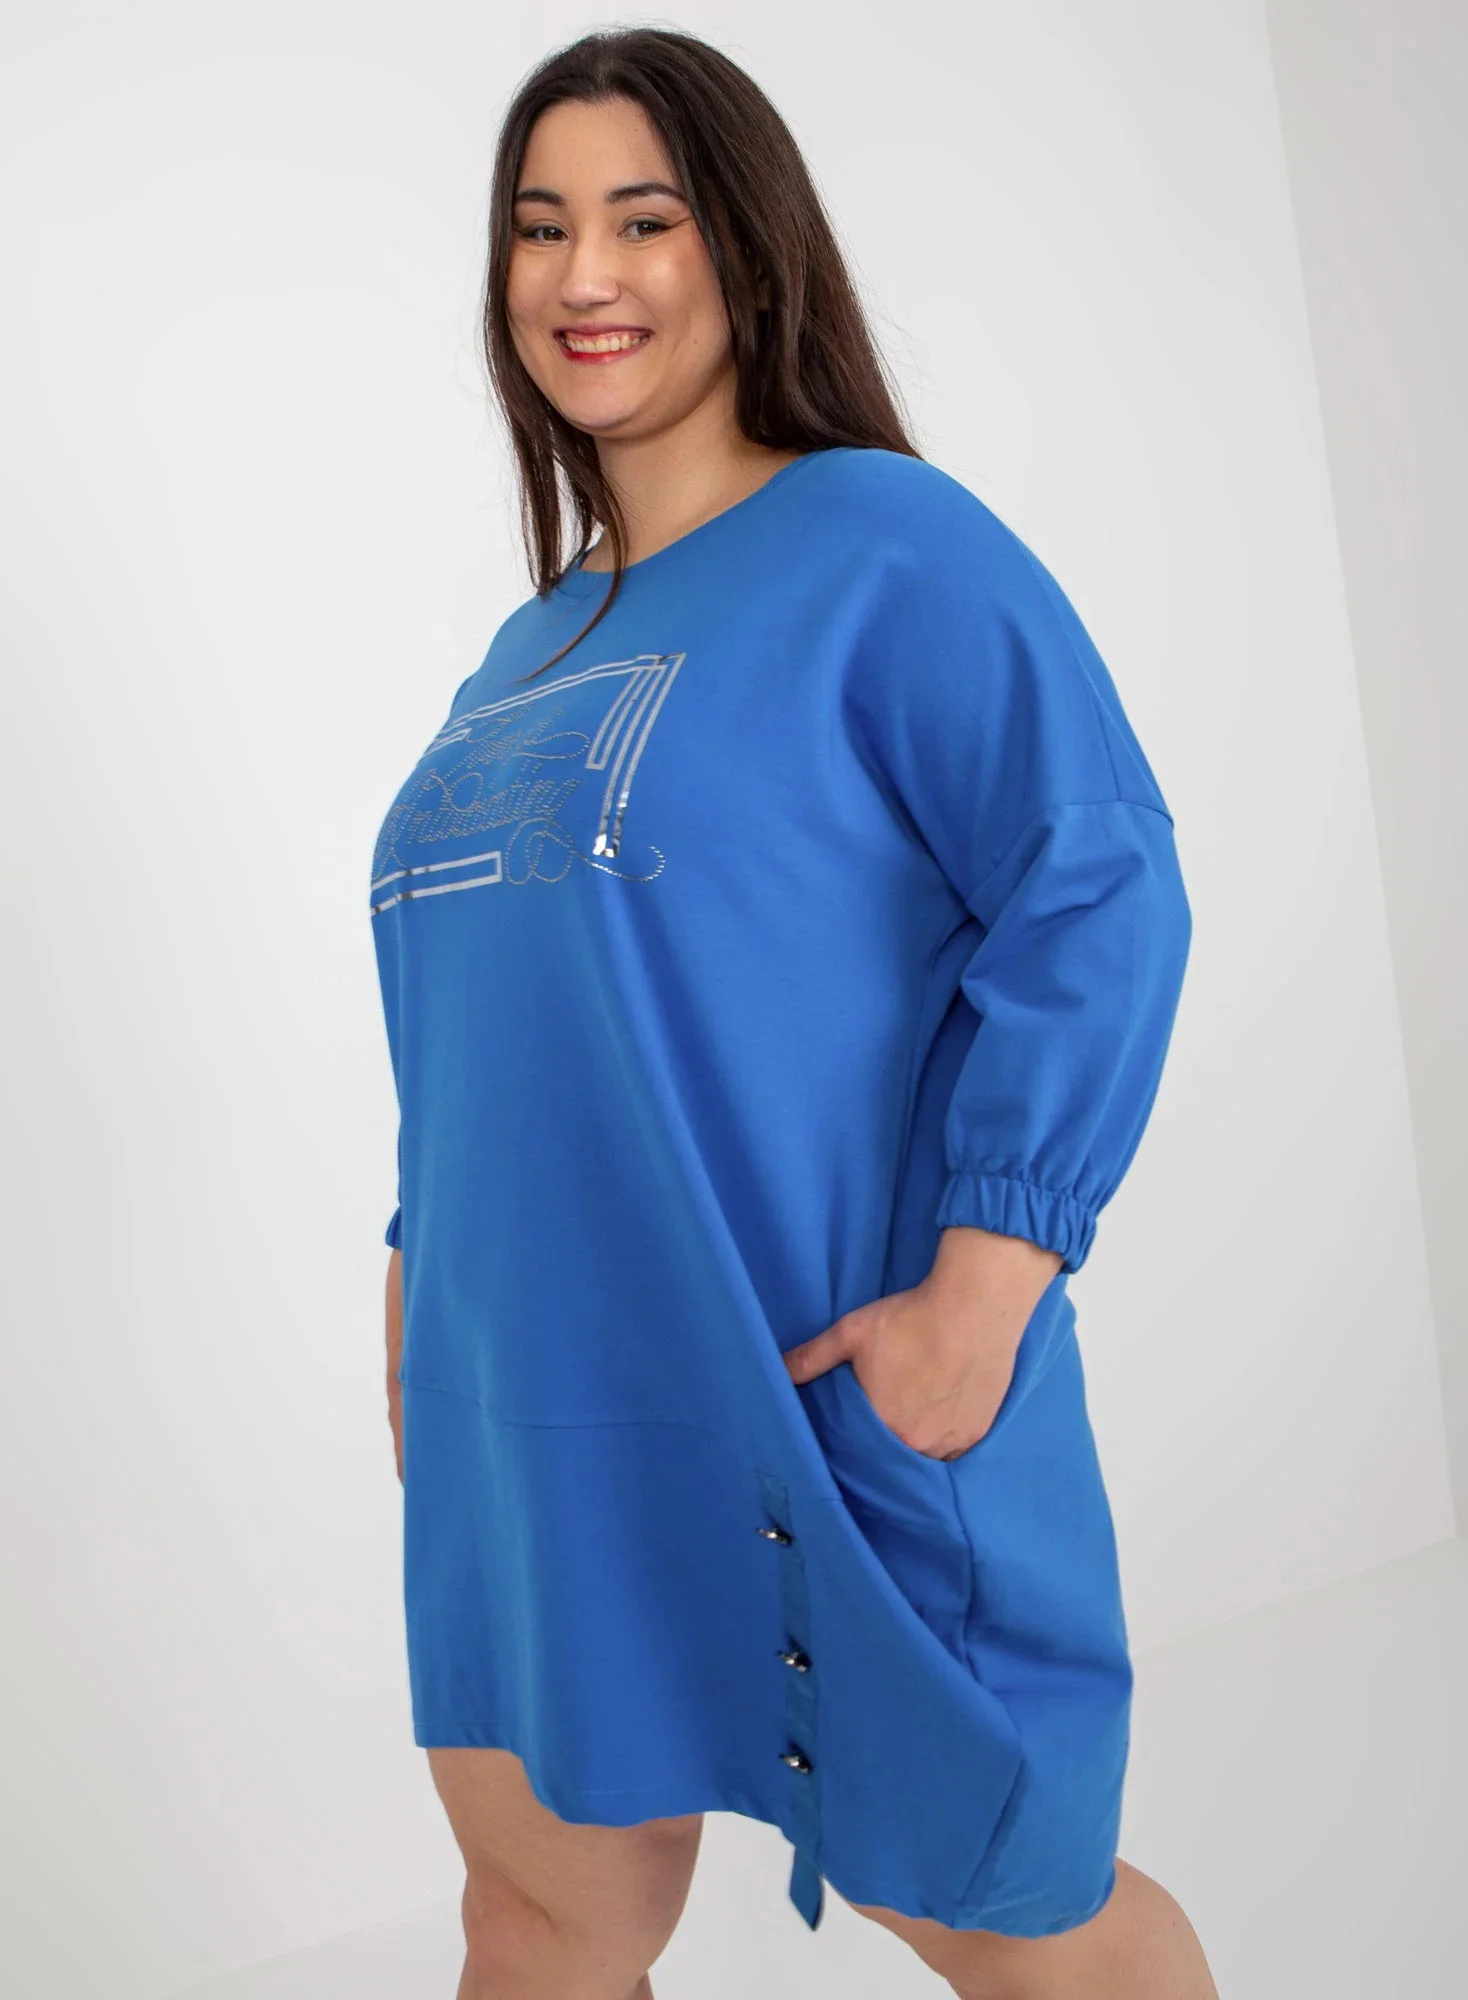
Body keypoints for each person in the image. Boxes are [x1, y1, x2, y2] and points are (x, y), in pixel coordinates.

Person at [372, 26, 1218, 2000]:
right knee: (542, 1918)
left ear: (745, 250)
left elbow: (1098, 881)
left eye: (643, 220)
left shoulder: (887, 546)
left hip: (813, 1383)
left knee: (1027, 1921)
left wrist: (989, 1282)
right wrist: (418, 1272)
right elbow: (493, 1013)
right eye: (541, 227)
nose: (585, 274)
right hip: (528, 1409)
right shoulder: (526, 648)